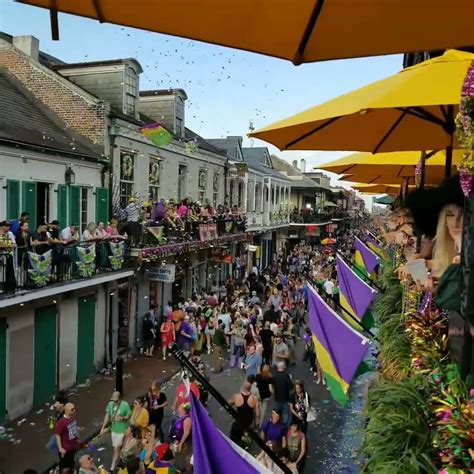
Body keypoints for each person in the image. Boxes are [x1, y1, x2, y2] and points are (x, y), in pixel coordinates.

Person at [100, 390, 132, 472]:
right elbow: (107, 415)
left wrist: (122, 418)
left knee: (116, 449)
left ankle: (112, 467)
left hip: (122, 430)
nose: (114, 402)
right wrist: (103, 427)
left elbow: (129, 415)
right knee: (115, 447)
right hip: (113, 430)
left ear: (120, 399)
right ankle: (119, 460)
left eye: (116, 400)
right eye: (113, 400)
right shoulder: (110, 404)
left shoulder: (125, 405)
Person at [229, 381, 259, 448]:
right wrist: (256, 422)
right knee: (246, 429)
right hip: (249, 420)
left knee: (234, 433)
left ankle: (240, 444)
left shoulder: (237, 396)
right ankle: (246, 437)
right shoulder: (254, 398)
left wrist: (234, 403)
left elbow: (230, 403)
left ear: (242, 387)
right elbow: (257, 412)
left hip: (239, 420)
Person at [54, 402, 79, 474]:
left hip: (72, 447)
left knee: (71, 463)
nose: (74, 410)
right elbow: (57, 434)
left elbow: (75, 429)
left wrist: (77, 438)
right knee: (65, 467)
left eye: (74, 408)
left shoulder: (73, 419)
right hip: (65, 450)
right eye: (72, 409)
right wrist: (60, 448)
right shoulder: (61, 422)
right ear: (67, 411)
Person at [169, 402, 192, 472]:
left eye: (180, 406)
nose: (178, 407)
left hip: (182, 442)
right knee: (174, 454)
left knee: (185, 455)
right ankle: (174, 467)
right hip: (174, 440)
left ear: (184, 410)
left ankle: (188, 469)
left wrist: (181, 443)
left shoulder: (187, 419)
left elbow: (186, 433)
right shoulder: (178, 415)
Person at [270, 361, 293, 427]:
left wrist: (272, 390)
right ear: (284, 367)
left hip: (277, 397)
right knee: (285, 413)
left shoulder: (275, 376)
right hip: (285, 398)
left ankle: (275, 422)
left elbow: (271, 384)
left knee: (277, 410)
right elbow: (290, 387)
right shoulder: (286, 376)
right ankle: (284, 425)